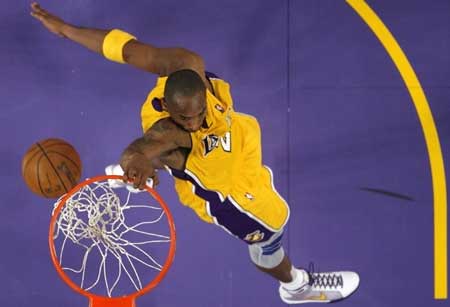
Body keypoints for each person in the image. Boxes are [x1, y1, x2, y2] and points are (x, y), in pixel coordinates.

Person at [31, 2, 359, 304]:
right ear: (170, 111)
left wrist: (66, 30)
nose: (194, 121)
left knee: (220, 146)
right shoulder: (170, 132)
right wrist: (134, 162)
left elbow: (124, 49)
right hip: (227, 192)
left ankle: (131, 173)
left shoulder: (187, 66)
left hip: (241, 147)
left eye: (199, 113)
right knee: (270, 233)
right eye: (184, 117)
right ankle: (296, 286)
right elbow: (143, 147)